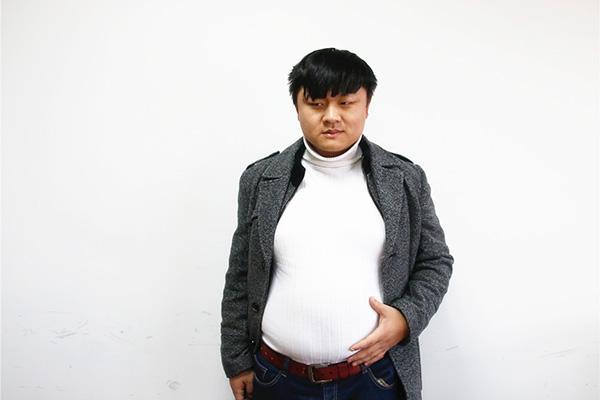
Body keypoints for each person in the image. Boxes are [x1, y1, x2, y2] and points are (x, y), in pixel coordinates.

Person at [220, 48, 454, 400]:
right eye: (316, 104)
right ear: (297, 107)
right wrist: (237, 360)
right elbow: (241, 273)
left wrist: (405, 319)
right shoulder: (261, 179)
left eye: (346, 103)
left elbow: (435, 261)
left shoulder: (404, 179)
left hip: (374, 379)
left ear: (367, 106)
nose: (331, 117)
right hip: (278, 378)